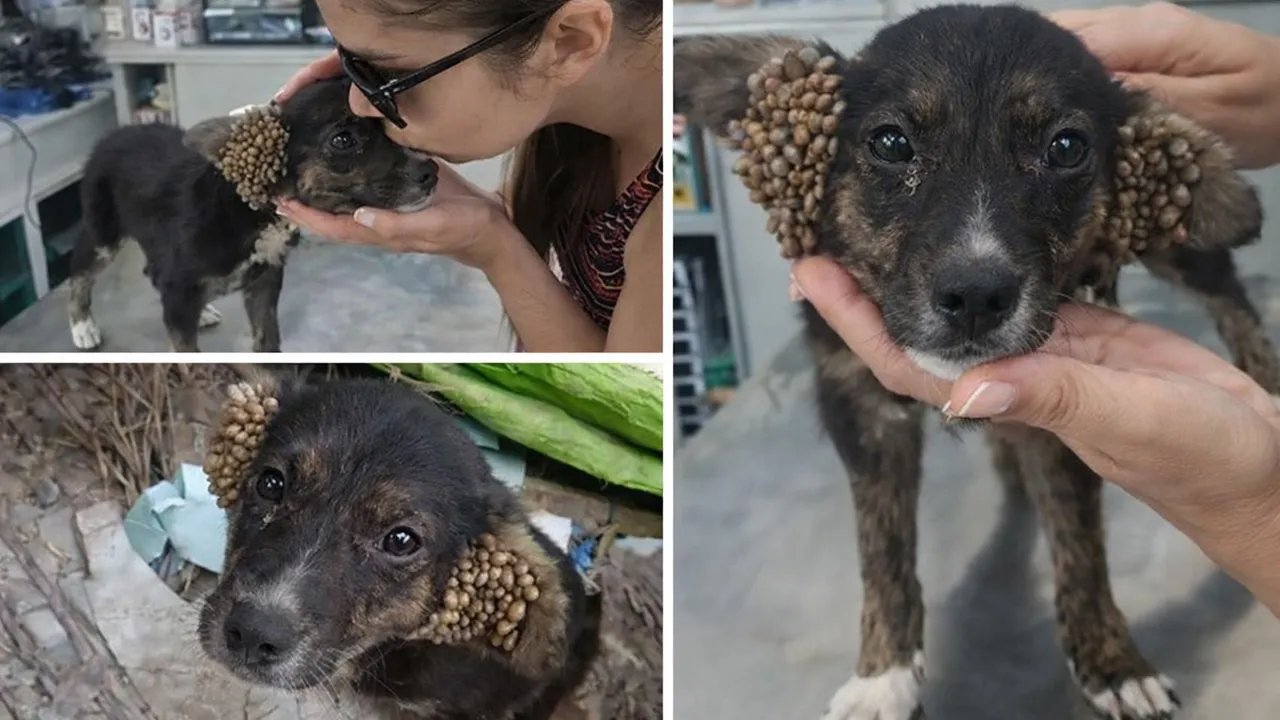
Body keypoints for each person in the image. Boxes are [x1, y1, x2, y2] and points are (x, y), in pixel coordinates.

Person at [791, 1, 1280, 614]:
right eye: (894, 145)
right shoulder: (821, 155)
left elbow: (1229, 217)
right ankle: (891, 643)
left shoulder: (1134, 160)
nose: (975, 264)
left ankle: (1253, 345)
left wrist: (1262, 506)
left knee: (1196, 264)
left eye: (1064, 147)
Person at [273, 0, 662, 353]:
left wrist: (495, 249)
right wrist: (477, 220)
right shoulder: (569, 105)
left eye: (390, 72)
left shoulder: (662, 218)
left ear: (570, 41)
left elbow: (626, 393)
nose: (358, 103)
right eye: (346, 61)